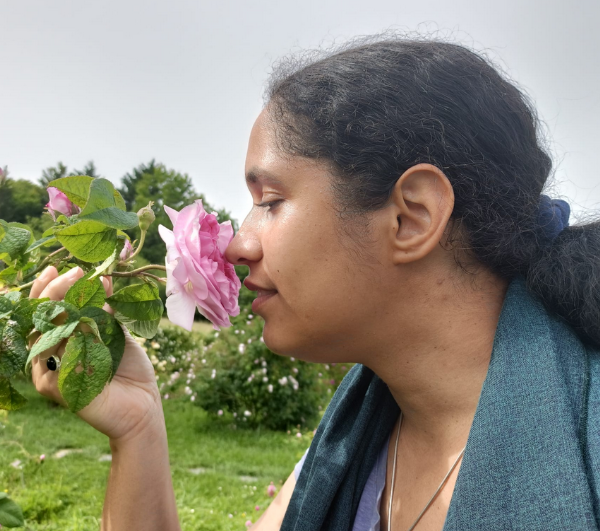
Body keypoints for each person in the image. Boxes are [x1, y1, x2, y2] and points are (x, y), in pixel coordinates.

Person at [29, 36, 600, 531]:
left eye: (271, 201)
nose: (236, 244)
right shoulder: (354, 448)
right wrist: (138, 427)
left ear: (412, 217)